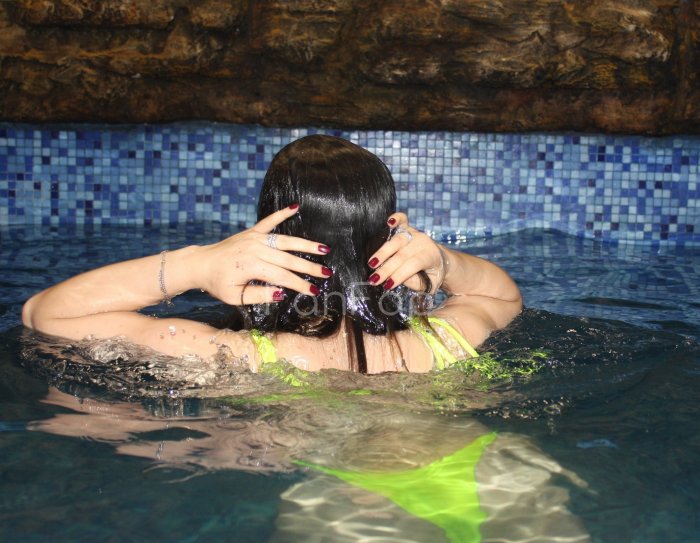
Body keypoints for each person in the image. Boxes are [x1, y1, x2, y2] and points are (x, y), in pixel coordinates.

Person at [22, 134, 523, 374]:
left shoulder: (243, 358)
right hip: (481, 468)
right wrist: (444, 264)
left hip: (349, 503)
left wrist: (197, 264)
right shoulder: (444, 341)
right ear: (388, 235)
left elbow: (46, 314)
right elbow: (502, 298)